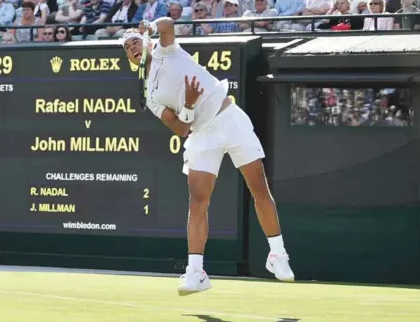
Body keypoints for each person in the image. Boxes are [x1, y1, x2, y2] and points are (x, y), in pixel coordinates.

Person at [120, 18, 295, 295]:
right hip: (201, 135)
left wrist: (150, 27)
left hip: (228, 118)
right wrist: (188, 104)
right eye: (128, 47)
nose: (133, 47)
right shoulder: (150, 94)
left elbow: (167, 24)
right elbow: (179, 128)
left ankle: (277, 255)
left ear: (148, 43)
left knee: (259, 188)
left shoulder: (168, 50)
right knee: (198, 203)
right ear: (130, 58)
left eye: (136, 42)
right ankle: (196, 272)